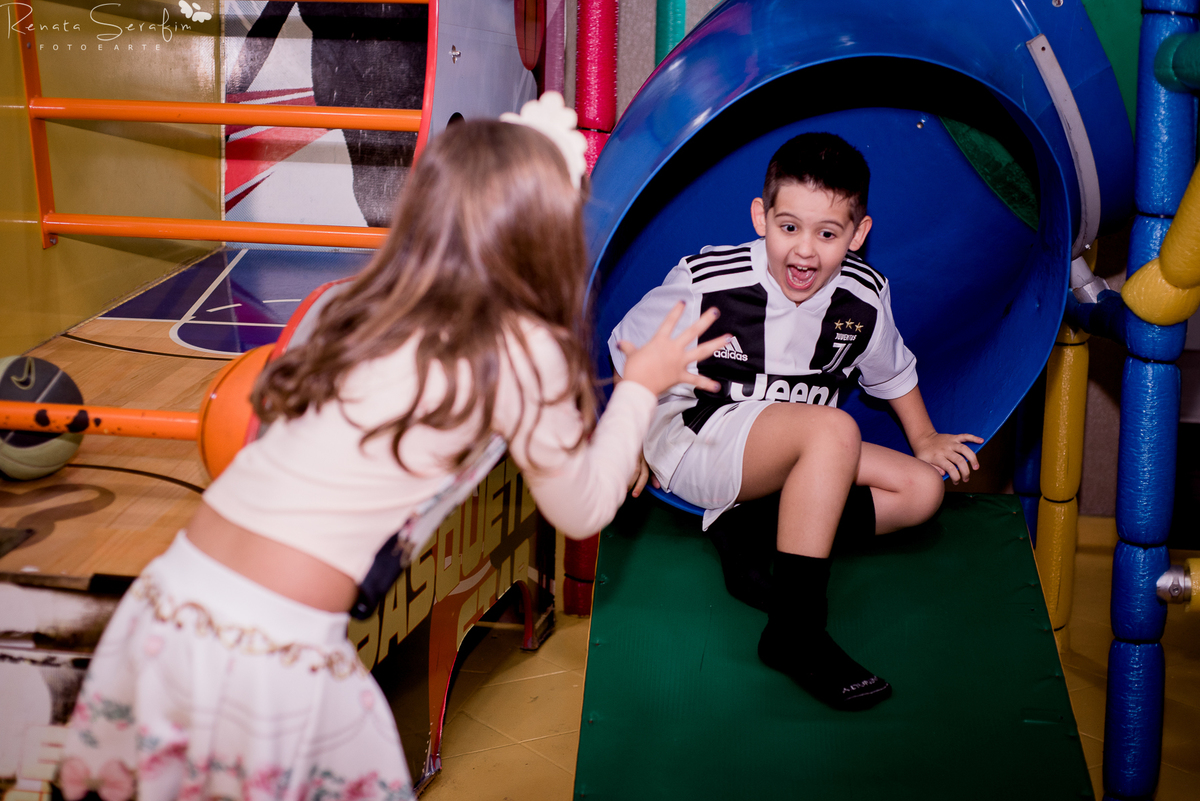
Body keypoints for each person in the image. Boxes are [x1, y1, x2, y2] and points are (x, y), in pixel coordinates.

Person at [56, 94, 728, 801]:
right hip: (269, 648)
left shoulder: (360, 303)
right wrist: (640, 385)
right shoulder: (522, 350)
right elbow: (584, 507)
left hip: (169, 602)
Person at [609, 132, 982, 712]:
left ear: (858, 235)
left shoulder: (863, 296)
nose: (804, 252)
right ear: (762, 217)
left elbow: (892, 370)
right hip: (696, 438)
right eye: (789, 228)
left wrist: (925, 437)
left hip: (792, 452)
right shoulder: (713, 279)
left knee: (921, 491)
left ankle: (748, 532)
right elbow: (629, 343)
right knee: (832, 428)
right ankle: (795, 631)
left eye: (827, 234)